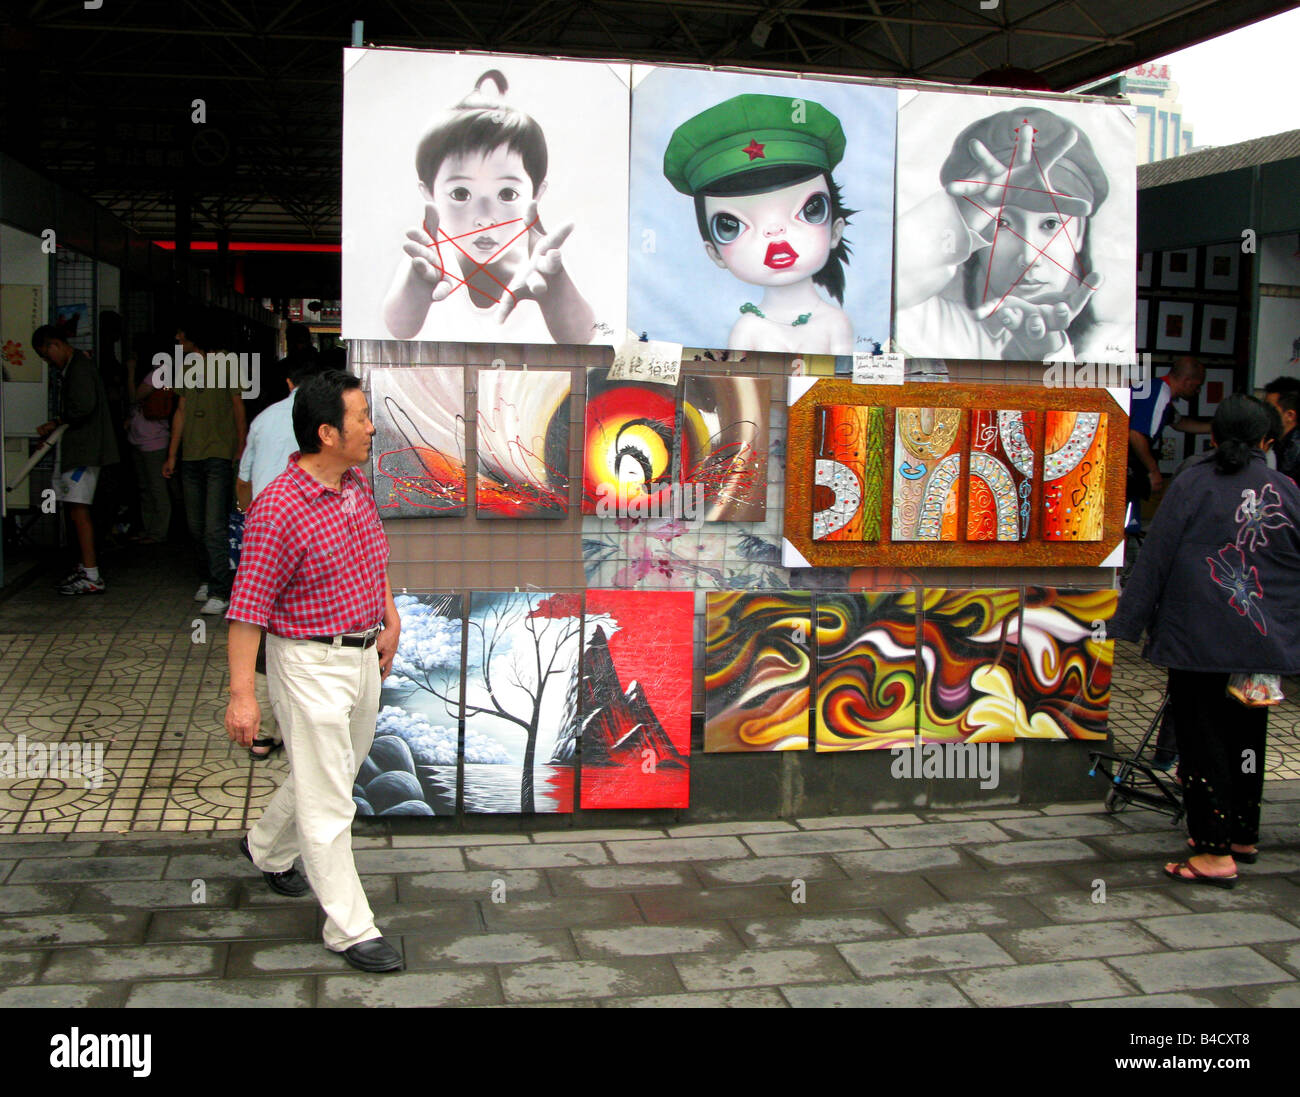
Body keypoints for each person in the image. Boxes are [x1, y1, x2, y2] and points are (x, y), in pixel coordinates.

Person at [224, 370, 404, 973]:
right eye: (361, 418)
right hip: (307, 662)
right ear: (327, 433)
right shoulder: (278, 508)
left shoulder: (355, 485)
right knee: (331, 800)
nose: (371, 427)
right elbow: (246, 611)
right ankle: (351, 928)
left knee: (329, 774)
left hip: (361, 657)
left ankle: (265, 848)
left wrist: (390, 615)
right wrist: (243, 697)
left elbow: (372, 556)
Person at [1112, 393, 1300, 887]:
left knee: (1202, 739)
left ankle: (1215, 854)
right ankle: (1242, 833)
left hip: (1198, 637)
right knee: (1247, 737)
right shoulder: (1287, 490)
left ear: (1212, 437)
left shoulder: (1193, 482)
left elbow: (1156, 559)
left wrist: (1126, 625)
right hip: (1260, 641)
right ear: (1267, 441)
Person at [896, 107, 1125, 362]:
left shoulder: (1109, 348)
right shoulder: (927, 326)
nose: (1029, 257)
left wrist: (1046, 352)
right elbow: (881, 283)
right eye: (1002, 222)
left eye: (1050, 224)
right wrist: (973, 209)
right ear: (973, 235)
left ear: (1080, 232)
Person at [382, 69, 595, 344]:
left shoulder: (544, 261)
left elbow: (582, 336)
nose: (485, 218)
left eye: (506, 194)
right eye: (461, 193)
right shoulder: (430, 256)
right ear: (428, 193)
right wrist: (417, 284)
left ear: (537, 194)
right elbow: (399, 327)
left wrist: (557, 289)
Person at [663, 93, 855, 354]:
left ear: (836, 231)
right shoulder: (747, 329)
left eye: (811, 210)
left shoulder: (836, 322)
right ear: (714, 253)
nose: (775, 232)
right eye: (730, 225)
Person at [234, 354, 327, 761]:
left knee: (258, 622)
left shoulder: (264, 418)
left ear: (289, 382)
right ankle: (301, 728)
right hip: (312, 537)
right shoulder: (327, 423)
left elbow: (243, 478)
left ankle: (263, 732)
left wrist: (247, 518)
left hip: (266, 532)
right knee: (302, 630)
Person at [162, 318, 247, 616]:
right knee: (195, 525)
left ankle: (220, 590)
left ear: (194, 335)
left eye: (181, 332)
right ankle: (208, 577)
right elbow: (181, 412)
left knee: (213, 525)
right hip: (191, 456)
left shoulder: (228, 362)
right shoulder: (184, 366)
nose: (177, 337)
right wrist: (172, 454)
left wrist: (240, 446)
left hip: (219, 455)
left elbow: (238, 406)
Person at [31, 325, 120, 595]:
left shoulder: (78, 368)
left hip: (83, 451)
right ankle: (85, 567)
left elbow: (83, 406)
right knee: (75, 509)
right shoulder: (77, 365)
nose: (48, 362)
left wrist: (56, 422)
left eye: (46, 355)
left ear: (54, 345)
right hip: (82, 449)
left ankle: (91, 573)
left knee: (79, 510)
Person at [1126, 357, 1210, 528]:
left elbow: (1179, 423)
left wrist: (1215, 428)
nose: (1198, 391)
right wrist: (1153, 471)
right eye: (1197, 385)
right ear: (1186, 381)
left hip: (1127, 472)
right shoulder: (1159, 394)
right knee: (1124, 526)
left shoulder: (1158, 391)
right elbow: (1135, 433)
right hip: (1124, 471)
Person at [123, 337, 174, 545]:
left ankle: (157, 532)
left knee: (154, 488)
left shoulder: (157, 374)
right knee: (149, 488)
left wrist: (131, 371)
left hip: (152, 440)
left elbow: (134, 396)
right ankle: (151, 529)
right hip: (146, 438)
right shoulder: (165, 373)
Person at [1263, 377, 1300, 482]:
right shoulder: (1279, 444)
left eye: (1271, 409)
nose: (1265, 414)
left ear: (1290, 415)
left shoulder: (1294, 451)